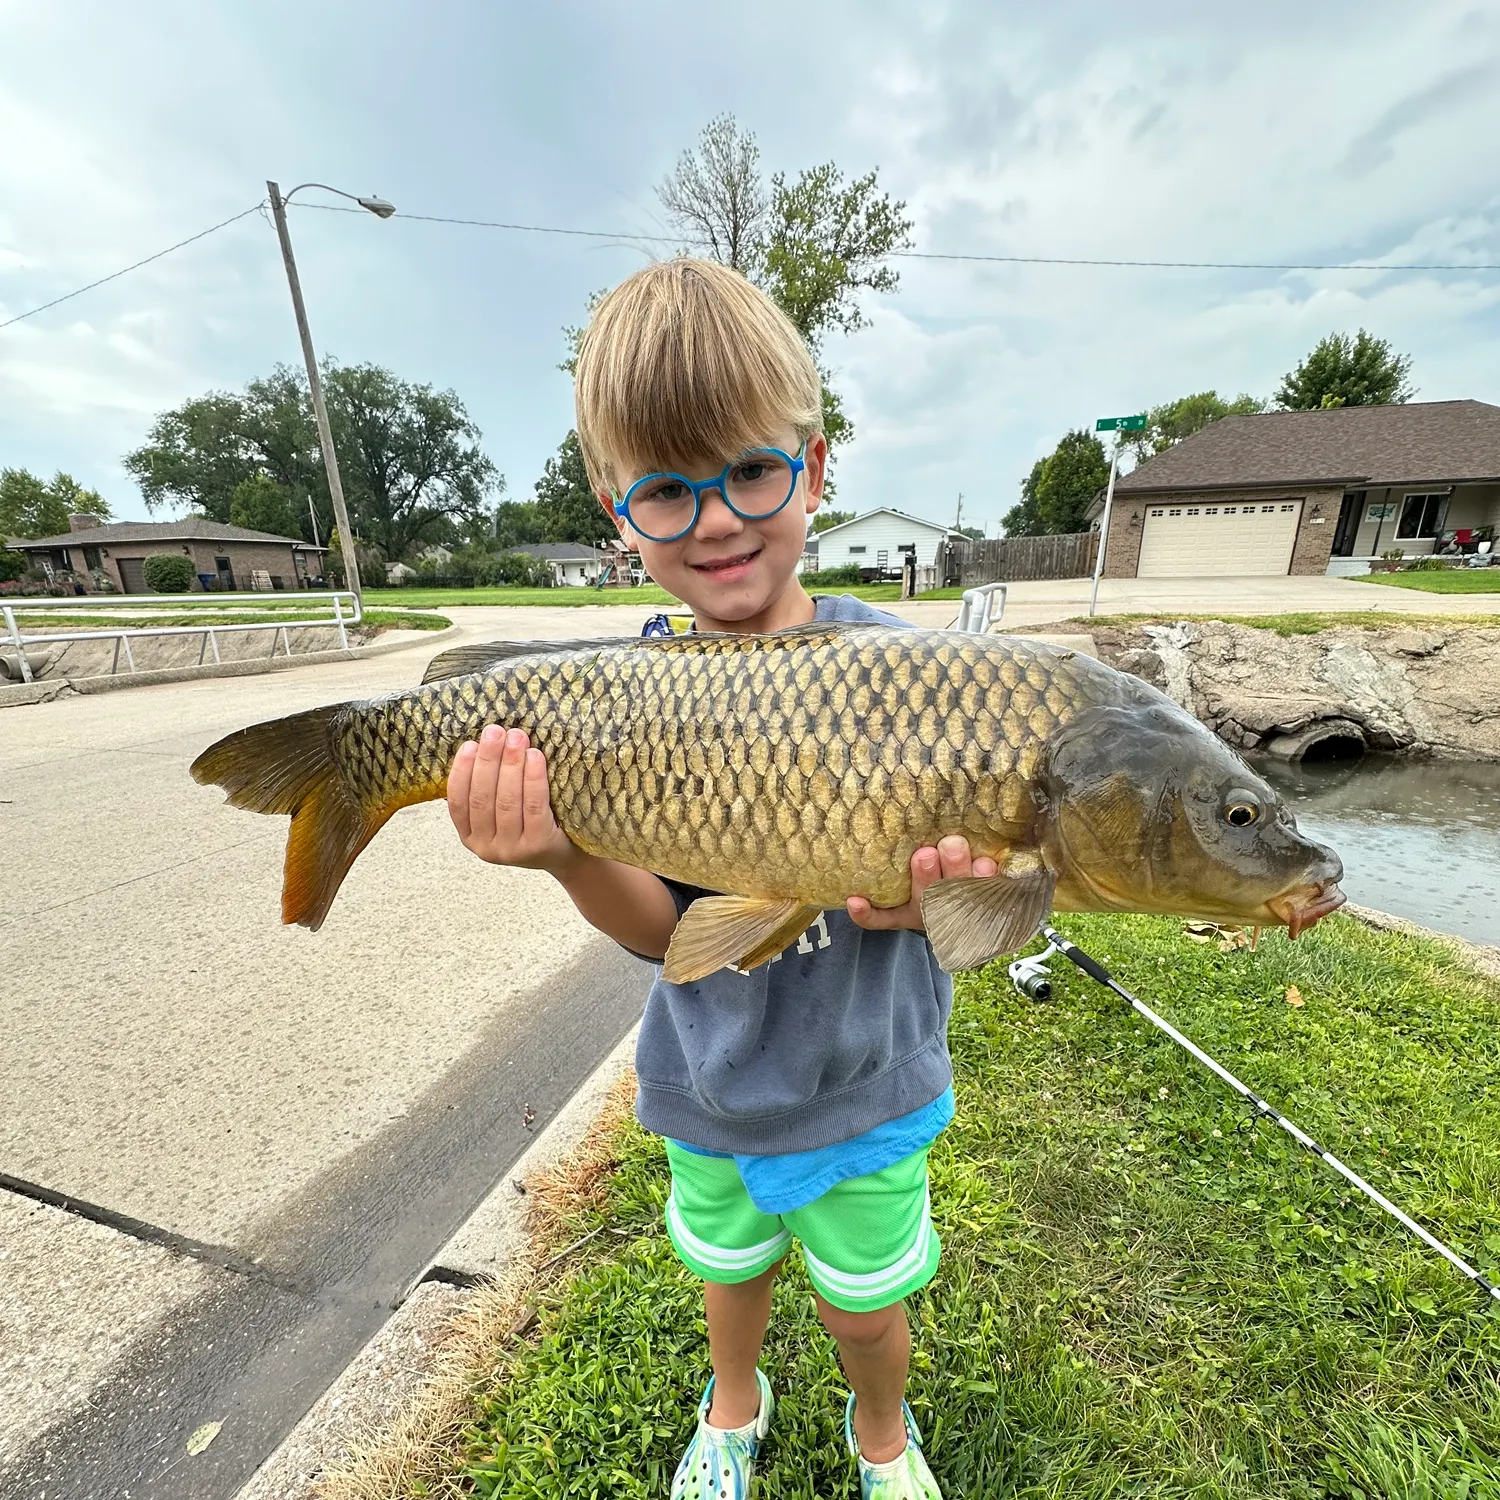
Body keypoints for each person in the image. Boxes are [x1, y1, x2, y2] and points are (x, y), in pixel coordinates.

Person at [446, 258, 993, 1499]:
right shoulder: (628, 694)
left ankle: (882, 1434)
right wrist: (566, 852)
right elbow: (664, 936)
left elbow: (987, 913)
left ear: (815, 462)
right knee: (727, 1271)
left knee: (867, 1304)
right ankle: (733, 1405)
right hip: (709, 1075)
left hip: (867, 1082)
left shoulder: (911, 676)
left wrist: (936, 900)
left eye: (750, 472)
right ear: (614, 508)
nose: (717, 521)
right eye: (666, 492)